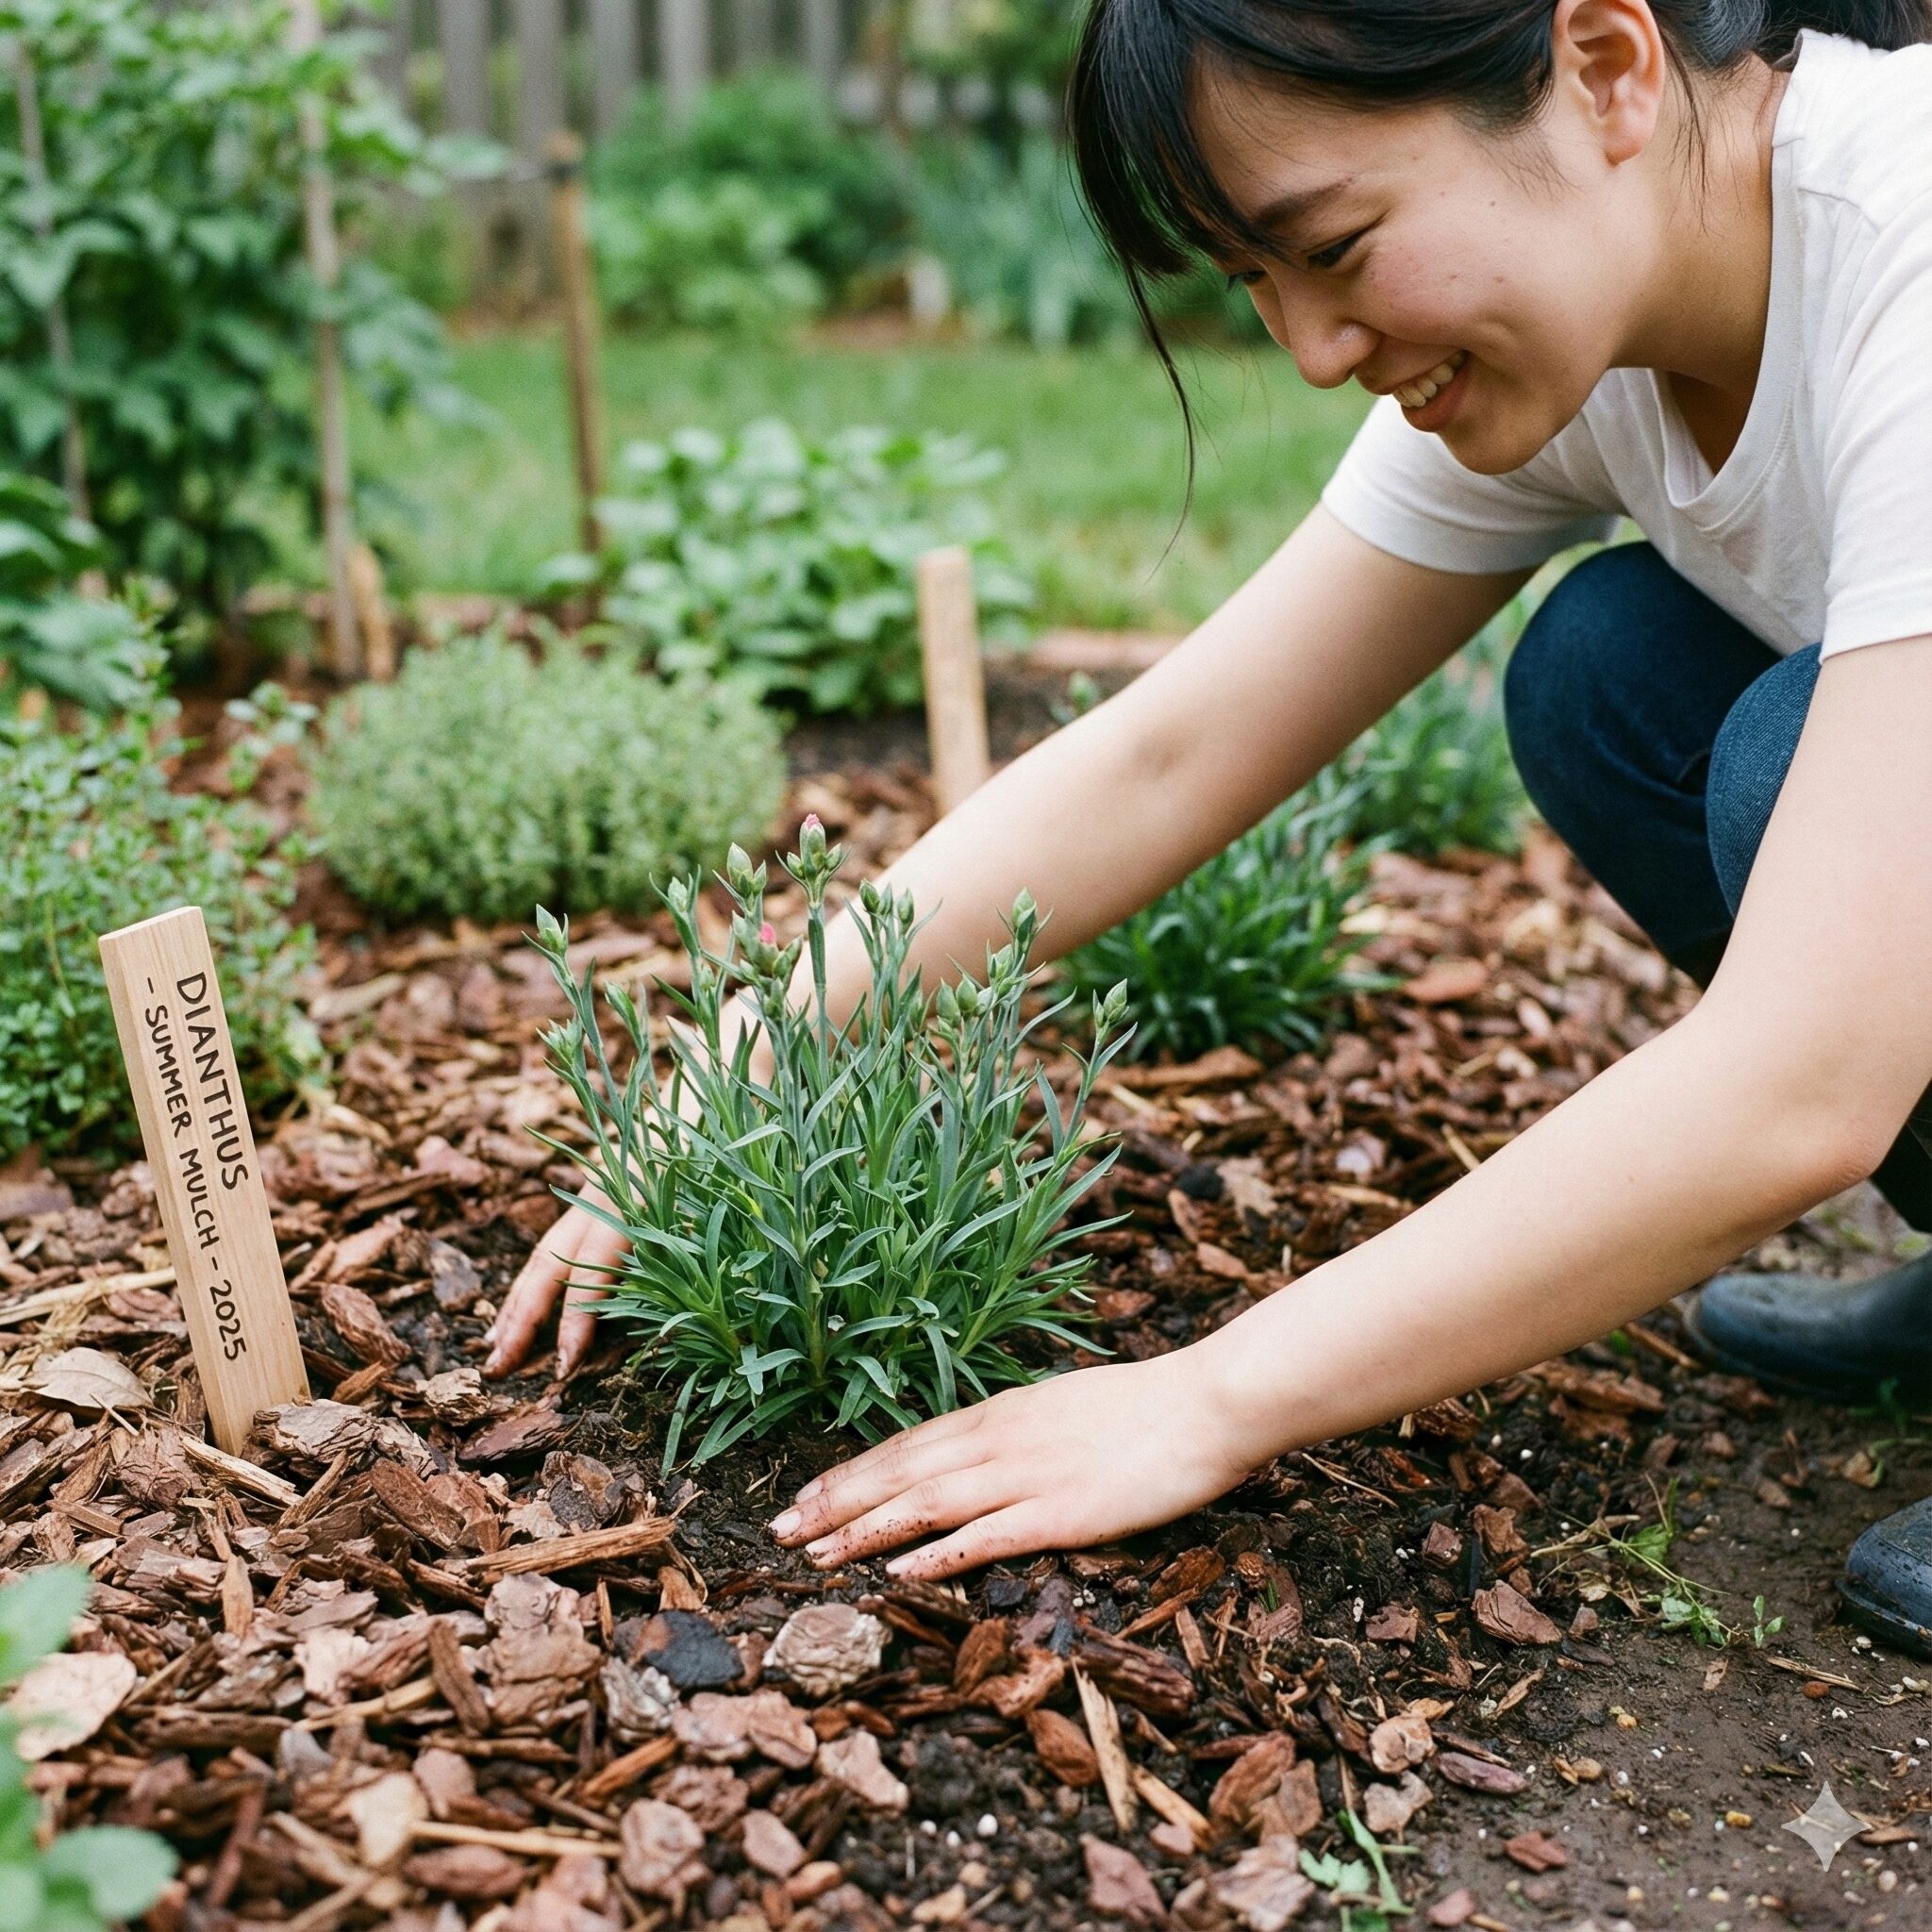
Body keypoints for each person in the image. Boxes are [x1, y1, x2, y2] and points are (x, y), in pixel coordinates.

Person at [488, 0, 1932, 1655]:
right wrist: (751, 1055)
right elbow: (1173, 752)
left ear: (1604, 70)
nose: (1311, 351)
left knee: (1775, 759)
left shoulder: (1904, 245)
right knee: (1609, 676)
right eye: (1255, 280)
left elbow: (1803, 1077)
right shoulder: (1604, 316)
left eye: (1335, 246)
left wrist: (1212, 1396)